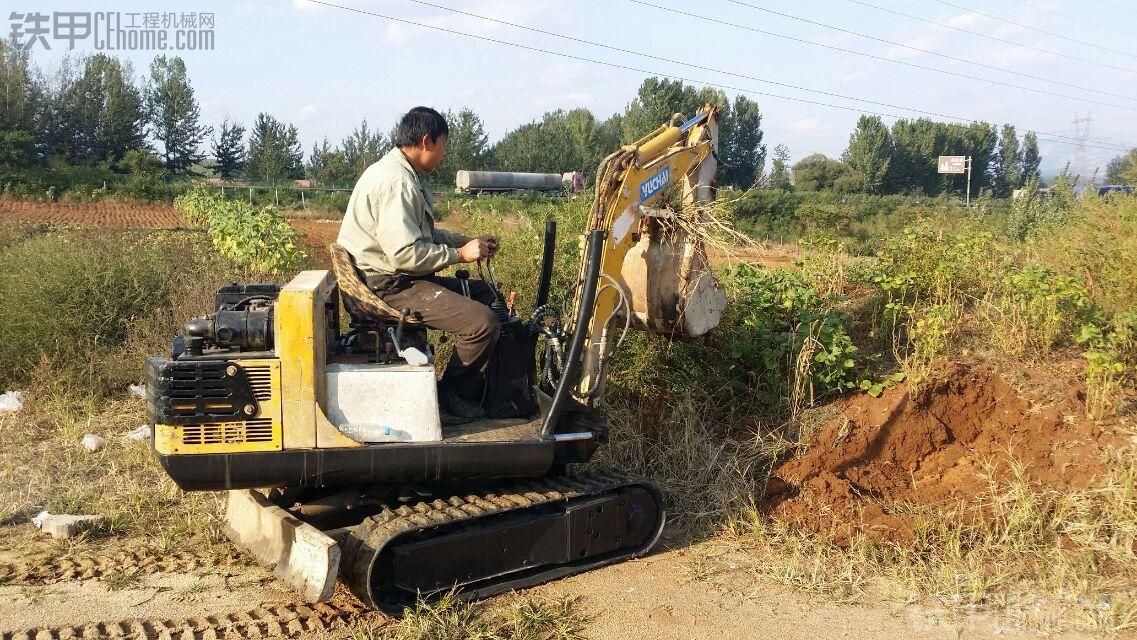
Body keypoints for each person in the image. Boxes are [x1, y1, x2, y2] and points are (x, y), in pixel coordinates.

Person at [336, 106, 499, 423]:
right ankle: (450, 400)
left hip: (391, 277)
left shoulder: (397, 172)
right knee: (483, 323)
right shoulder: (397, 183)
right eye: (443, 145)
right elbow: (406, 255)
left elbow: (422, 234)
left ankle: (482, 385)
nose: (443, 154)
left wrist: (462, 240)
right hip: (386, 286)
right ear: (426, 141)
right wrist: (461, 255)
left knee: (486, 295)